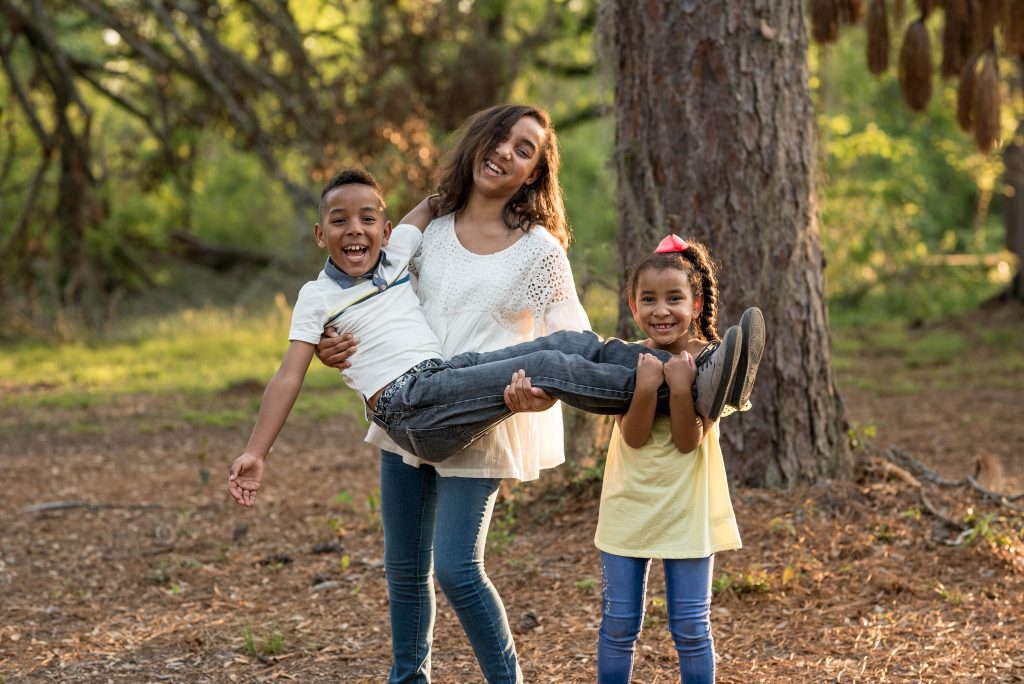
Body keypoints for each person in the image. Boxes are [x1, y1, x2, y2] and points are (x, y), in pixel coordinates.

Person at [226, 170, 755, 498]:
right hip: (408, 406)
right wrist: (257, 451)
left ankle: (686, 369)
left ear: (386, 232)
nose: (354, 230)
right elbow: (287, 377)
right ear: (321, 234)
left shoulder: (392, 260)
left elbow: (431, 204)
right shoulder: (317, 297)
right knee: (546, 370)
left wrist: (476, 177)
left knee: (562, 346)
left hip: (437, 379)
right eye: (339, 222)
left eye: (368, 218)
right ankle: (674, 393)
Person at [309, 103, 591, 684]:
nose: (506, 154)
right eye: (501, 139)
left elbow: (572, 336)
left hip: (483, 415)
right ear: (478, 141)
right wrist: (327, 342)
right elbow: (371, 296)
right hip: (409, 409)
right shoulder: (430, 233)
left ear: (535, 174)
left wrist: (547, 392)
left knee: (458, 569)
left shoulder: (538, 249)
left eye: (525, 150)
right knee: (405, 569)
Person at [594, 235, 759, 684]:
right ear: (633, 305)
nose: (660, 310)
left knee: (690, 626)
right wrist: (646, 387)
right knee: (619, 625)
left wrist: (681, 387)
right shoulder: (629, 358)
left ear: (696, 302)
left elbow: (689, 442)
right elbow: (633, 435)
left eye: (673, 298)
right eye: (648, 299)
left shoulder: (712, 362)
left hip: (688, 509)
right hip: (628, 506)